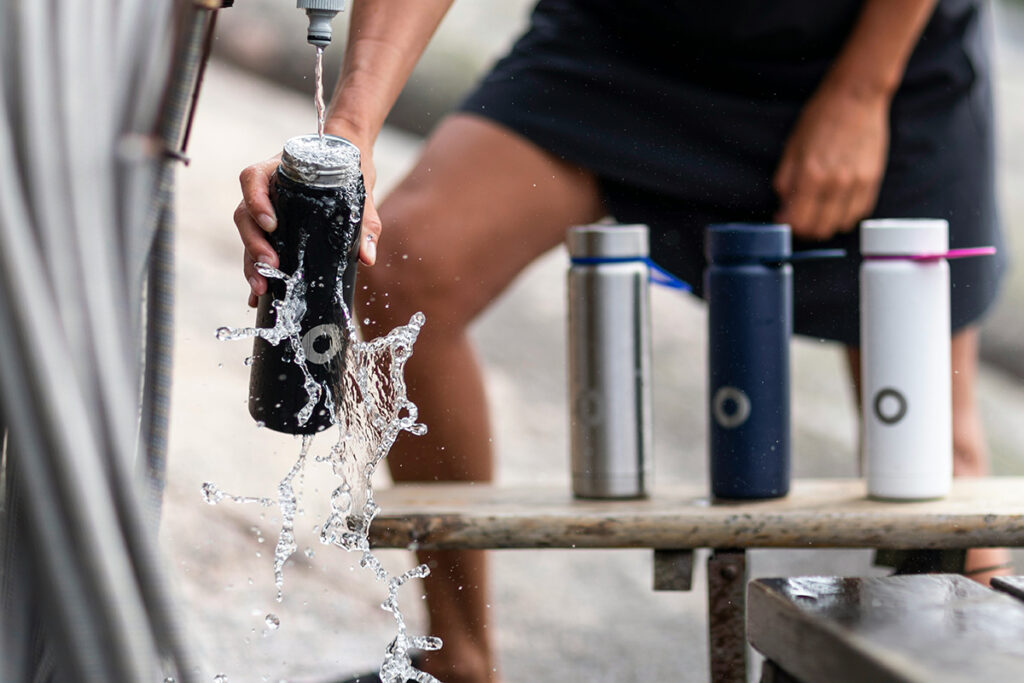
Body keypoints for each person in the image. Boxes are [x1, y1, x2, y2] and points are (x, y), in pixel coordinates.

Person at [234, 1, 1008, 680]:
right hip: (630, 40)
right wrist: (347, 136)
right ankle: (459, 660)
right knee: (405, 261)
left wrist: (861, 88)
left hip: (871, 48)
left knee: (933, 455)